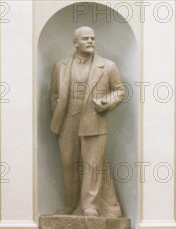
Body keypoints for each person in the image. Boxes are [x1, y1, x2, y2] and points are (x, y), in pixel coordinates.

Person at [50, 26, 125, 217]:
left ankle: (90, 206)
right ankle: (71, 204)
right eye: (85, 39)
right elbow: (54, 94)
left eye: (93, 38)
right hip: (68, 121)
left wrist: (106, 103)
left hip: (95, 121)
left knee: (92, 165)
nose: (91, 41)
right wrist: (58, 114)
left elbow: (119, 90)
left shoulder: (108, 66)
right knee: (68, 163)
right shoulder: (61, 65)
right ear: (75, 42)